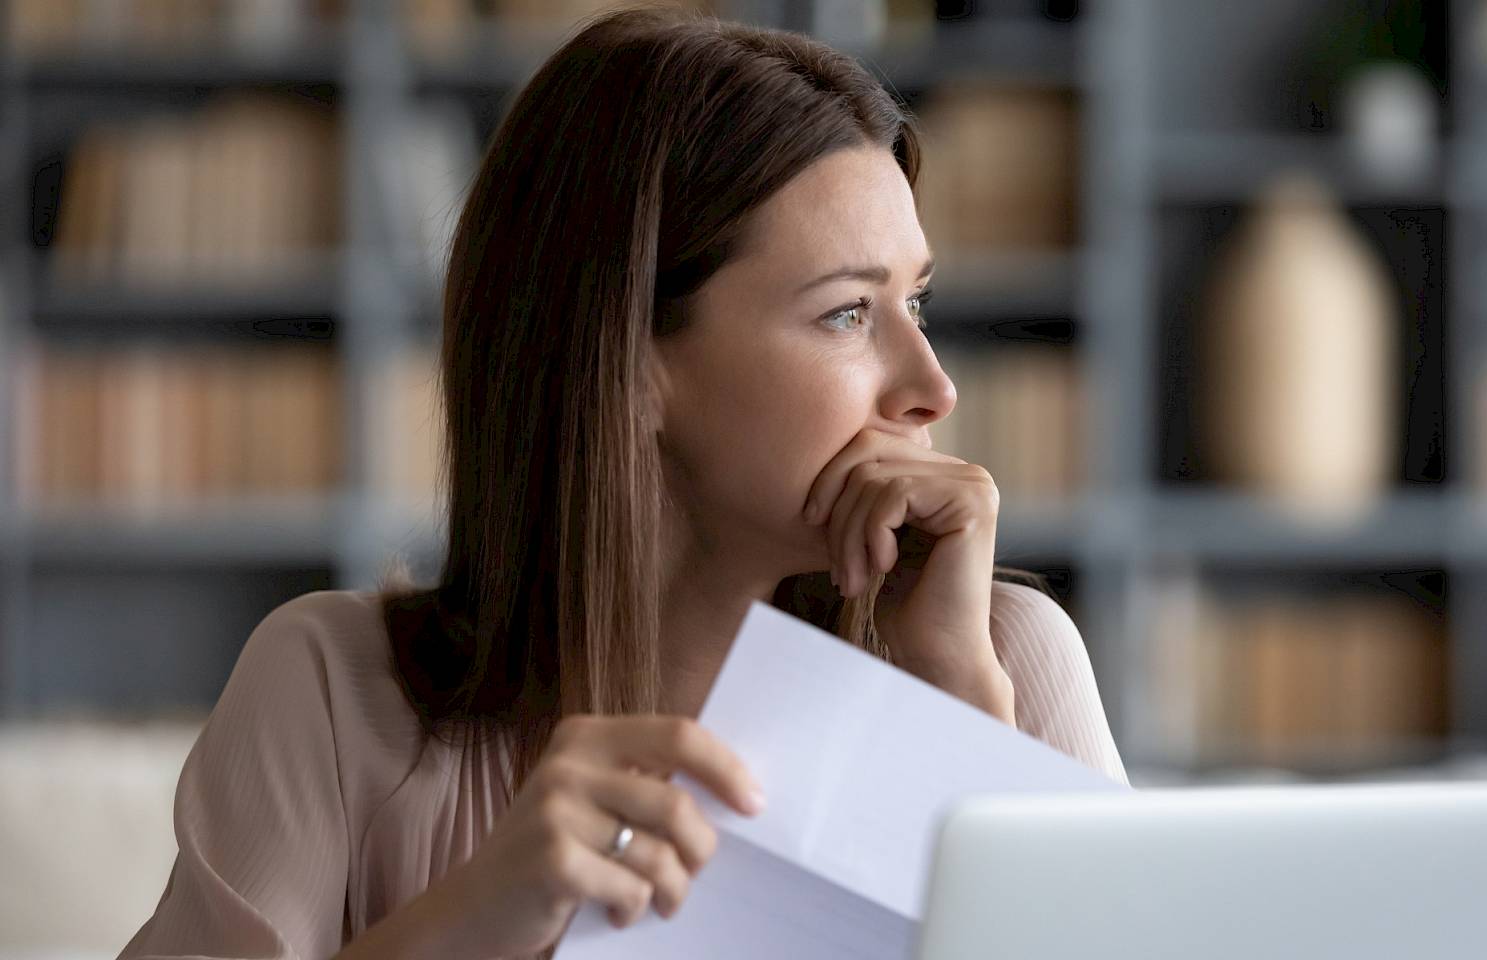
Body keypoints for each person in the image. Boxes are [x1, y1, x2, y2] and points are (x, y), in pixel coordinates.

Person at [118, 6, 1128, 959]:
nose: (931, 389)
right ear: (630, 360)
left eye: (916, 299)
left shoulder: (1006, 665)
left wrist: (959, 733)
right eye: (846, 315)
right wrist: (470, 920)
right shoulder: (333, 693)